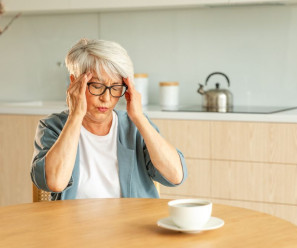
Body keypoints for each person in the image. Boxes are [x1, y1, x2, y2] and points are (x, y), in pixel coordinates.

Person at [31, 38, 187, 200]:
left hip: (132, 222)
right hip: (75, 224)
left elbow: (175, 176)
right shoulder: (53, 126)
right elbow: (55, 182)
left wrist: (139, 117)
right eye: (97, 86)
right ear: (74, 82)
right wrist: (75, 116)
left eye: (115, 87)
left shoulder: (134, 126)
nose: (106, 98)